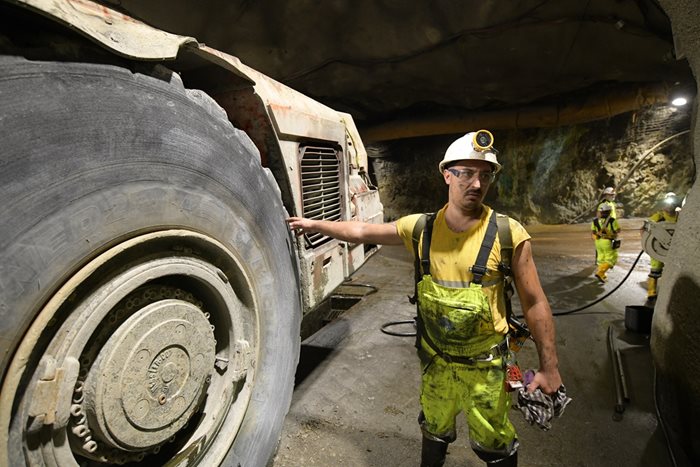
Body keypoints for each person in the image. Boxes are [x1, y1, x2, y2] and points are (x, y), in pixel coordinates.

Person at [287, 130, 564, 467]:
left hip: (487, 368)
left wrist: (550, 369)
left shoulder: (508, 234)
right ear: (446, 174)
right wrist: (314, 223)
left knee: (495, 442)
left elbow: (535, 304)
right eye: (466, 173)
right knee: (434, 429)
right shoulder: (420, 228)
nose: (476, 184)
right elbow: (361, 231)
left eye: (485, 174)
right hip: (436, 363)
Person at [643, 192, 682, 303]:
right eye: (667, 203)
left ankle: (671, 292)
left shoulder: (680, 215)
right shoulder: (659, 216)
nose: (669, 206)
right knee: (655, 270)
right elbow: (646, 227)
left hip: (674, 248)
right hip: (658, 248)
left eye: (672, 203)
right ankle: (652, 292)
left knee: (673, 271)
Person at [591, 203, 620, 283]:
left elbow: (593, 231)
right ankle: (600, 273)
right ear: (609, 212)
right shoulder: (612, 220)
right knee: (611, 258)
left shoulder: (595, 221)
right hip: (607, 242)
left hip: (598, 242)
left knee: (601, 258)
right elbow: (617, 230)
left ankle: (603, 275)